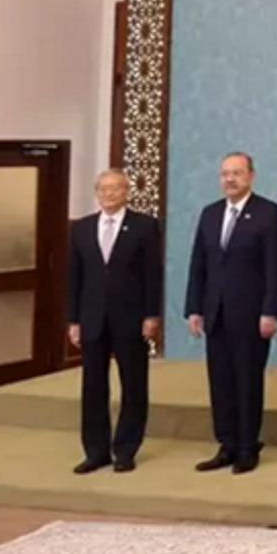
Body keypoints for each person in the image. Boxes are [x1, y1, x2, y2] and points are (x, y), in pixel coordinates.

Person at [185, 152, 277, 474]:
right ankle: (226, 444)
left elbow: (276, 268)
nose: (230, 179)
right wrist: (194, 308)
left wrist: (270, 311)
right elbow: (198, 265)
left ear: (251, 176)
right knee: (221, 382)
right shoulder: (210, 214)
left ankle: (247, 446)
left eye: (237, 173)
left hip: (252, 314)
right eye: (225, 174)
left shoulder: (268, 214)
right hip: (214, 313)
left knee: (247, 381)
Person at [66, 169, 162, 474]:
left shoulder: (145, 226)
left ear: (126, 191)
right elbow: (75, 278)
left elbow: (153, 274)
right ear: (97, 193)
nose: (109, 194)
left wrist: (152, 314)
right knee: (93, 386)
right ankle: (96, 451)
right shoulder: (81, 228)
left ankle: (125, 449)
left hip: (131, 318)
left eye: (115, 189)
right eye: (103, 189)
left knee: (133, 384)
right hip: (92, 318)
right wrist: (73, 320)